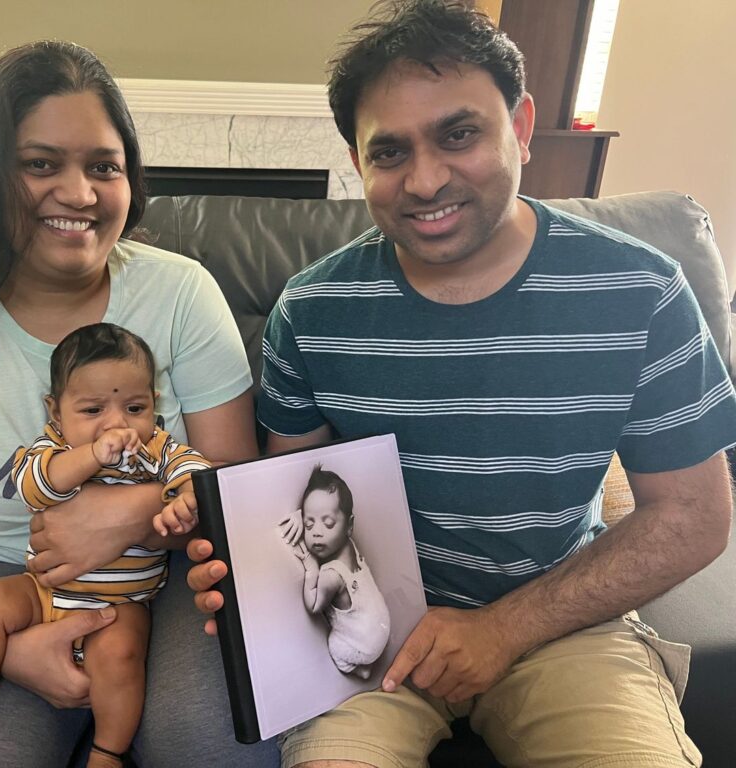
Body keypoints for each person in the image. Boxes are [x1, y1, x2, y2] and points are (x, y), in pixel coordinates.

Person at [187, 1, 736, 766]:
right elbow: (289, 494)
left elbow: (694, 516)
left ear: (520, 126)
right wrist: (255, 590)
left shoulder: (639, 289)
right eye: (389, 152)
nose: (426, 179)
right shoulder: (311, 310)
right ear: (357, 161)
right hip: (378, 636)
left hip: (564, 626)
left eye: (459, 134)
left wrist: (502, 629)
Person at [0, 41, 278, 767]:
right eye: (41, 164)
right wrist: (2, 647)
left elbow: (232, 481)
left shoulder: (182, 290)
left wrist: (132, 513)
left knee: (220, 746)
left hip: (160, 579)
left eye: (104, 166)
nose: (80, 194)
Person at [0, 323, 211, 765]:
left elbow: (197, 471)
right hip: (43, 593)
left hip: (119, 605)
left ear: (153, 405)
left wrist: (189, 498)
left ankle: (107, 752)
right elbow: (36, 488)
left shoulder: (155, 446)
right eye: (93, 409)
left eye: (134, 406)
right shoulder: (54, 448)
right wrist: (93, 456)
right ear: (56, 412)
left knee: (121, 654)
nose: (116, 424)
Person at [282, 465, 390, 680]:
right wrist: (300, 515)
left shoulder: (331, 575)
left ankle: (359, 669)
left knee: (334, 645)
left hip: (363, 646)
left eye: (328, 524)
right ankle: (366, 661)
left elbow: (314, 605)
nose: (317, 533)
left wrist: (311, 567)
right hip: (382, 627)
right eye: (309, 524)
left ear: (349, 525)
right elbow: (319, 513)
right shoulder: (349, 544)